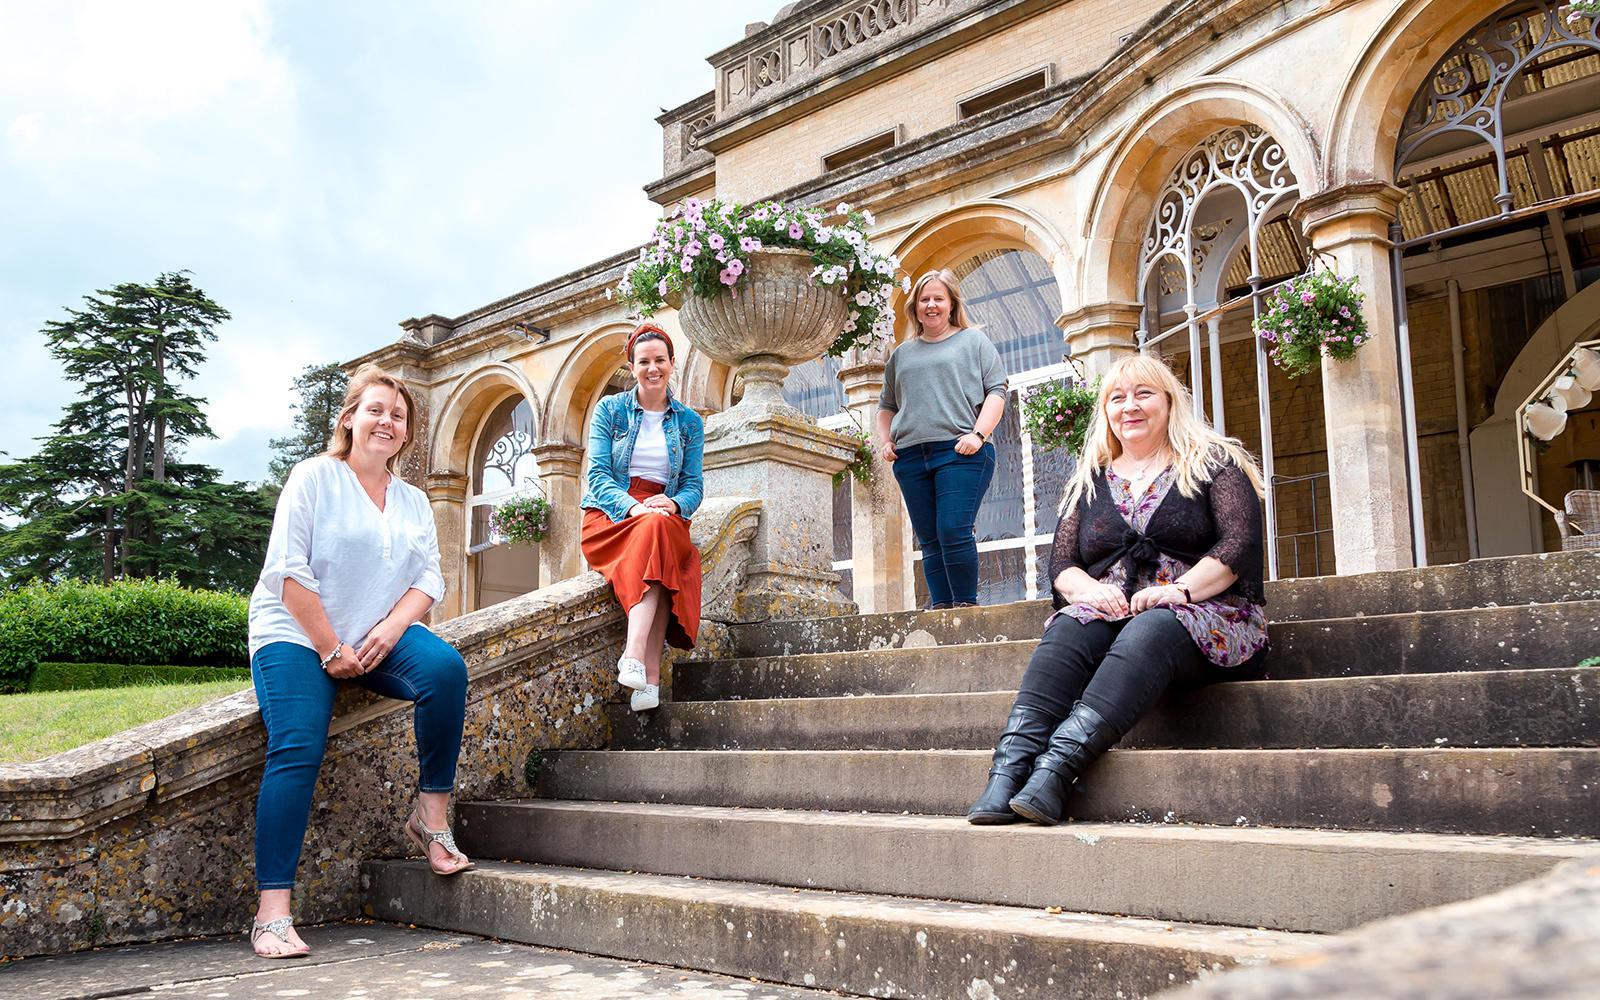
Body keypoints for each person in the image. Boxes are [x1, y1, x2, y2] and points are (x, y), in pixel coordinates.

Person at [966, 353, 1268, 826]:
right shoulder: (1090, 479)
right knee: (1069, 629)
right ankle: (1006, 775)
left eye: (1144, 393)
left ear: (1169, 402)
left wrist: (1180, 591)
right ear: (1105, 410)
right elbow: (1062, 564)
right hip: (1117, 611)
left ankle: (1055, 772)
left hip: (1206, 616)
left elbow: (1240, 542)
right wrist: (1087, 591)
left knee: (1150, 627)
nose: (1130, 406)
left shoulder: (1212, 462)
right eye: (1117, 397)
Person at [246, 364, 471, 958]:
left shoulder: (414, 501)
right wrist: (328, 647)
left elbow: (428, 579)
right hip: (296, 633)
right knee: (297, 743)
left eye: (397, 415)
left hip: (376, 634)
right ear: (349, 418)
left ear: (406, 433)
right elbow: (285, 572)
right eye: (375, 410)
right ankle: (272, 912)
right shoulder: (315, 477)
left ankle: (429, 818)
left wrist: (392, 628)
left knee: (447, 670)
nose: (386, 421)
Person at [581, 322, 705, 712]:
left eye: (660, 361)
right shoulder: (610, 410)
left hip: (664, 512)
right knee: (658, 538)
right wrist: (634, 507)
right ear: (632, 367)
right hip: (611, 513)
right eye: (643, 362)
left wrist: (675, 504)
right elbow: (598, 476)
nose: (652, 369)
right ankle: (642, 665)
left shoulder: (689, 422)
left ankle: (640, 669)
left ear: (672, 364)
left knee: (661, 534)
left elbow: (693, 486)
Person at [876, 269, 1008, 609]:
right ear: (915, 307)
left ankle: (965, 608)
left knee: (953, 528)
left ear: (951, 304)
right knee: (930, 539)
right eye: (924, 299)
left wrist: (979, 435)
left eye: (938, 298)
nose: (931, 305)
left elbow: (997, 390)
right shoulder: (901, 354)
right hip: (910, 458)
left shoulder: (973, 341)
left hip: (960, 453)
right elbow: (886, 405)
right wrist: (886, 440)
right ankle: (942, 610)